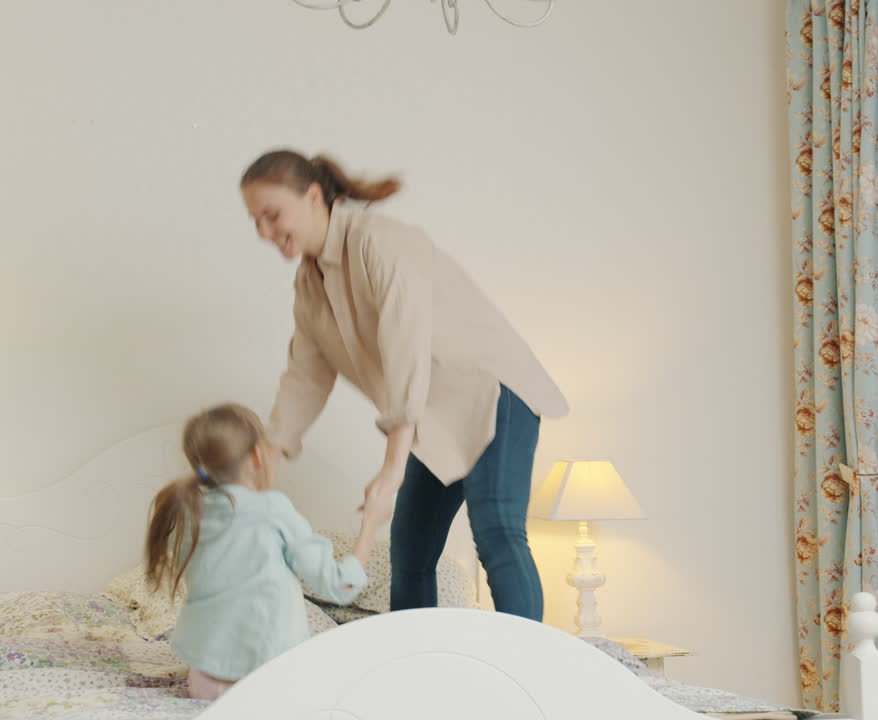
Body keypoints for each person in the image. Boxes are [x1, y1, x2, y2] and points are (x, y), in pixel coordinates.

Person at [240, 149, 568, 623]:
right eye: (255, 221)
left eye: (272, 215)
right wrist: (267, 455)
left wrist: (392, 470)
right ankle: (413, 676)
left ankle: (530, 677)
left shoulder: (380, 241)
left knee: (496, 530)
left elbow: (404, 349)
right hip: (430, 416)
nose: (265, 232)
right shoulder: (310, 286)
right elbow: (305, 377)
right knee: (410, 550)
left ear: (313, 196)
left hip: (493, 391)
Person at [145, 403, 393, 700]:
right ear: (257, 456)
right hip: (269, 679)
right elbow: (340, 586)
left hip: (205, 681)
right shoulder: (273, 509)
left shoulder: (188, 512)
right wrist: (371, 524)